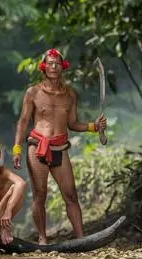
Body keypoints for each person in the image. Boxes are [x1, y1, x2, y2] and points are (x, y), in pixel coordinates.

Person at [12, 48, 107, 245]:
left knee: (71, 194)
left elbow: (73, 123)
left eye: (57, 63)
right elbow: (23, 121)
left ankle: (82, 239)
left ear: (62, 67)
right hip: (37, 146)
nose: (53, 67)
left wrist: (93, 126)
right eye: (50, 63)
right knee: (40, 194)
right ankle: (42, 238)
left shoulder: (70, 94)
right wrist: (16, 148)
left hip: (60, 148)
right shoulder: (33, 92)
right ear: (43, 67)